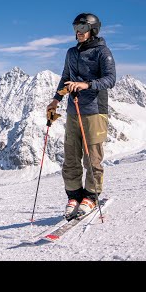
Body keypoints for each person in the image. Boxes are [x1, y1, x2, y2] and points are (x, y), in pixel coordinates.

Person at [46, 12, 116, 220]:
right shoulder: (71, 52)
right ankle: (74, 196)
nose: (78, 32)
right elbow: (66, 78)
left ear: (93, 30)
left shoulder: (102, 52)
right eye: (76, 28)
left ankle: (91, 197)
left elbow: (110, 79)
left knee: (92, 159)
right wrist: (56, 100)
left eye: (83, 28)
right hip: (73, 111)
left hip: (95, 111)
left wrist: (87, 84)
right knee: (70, 157)